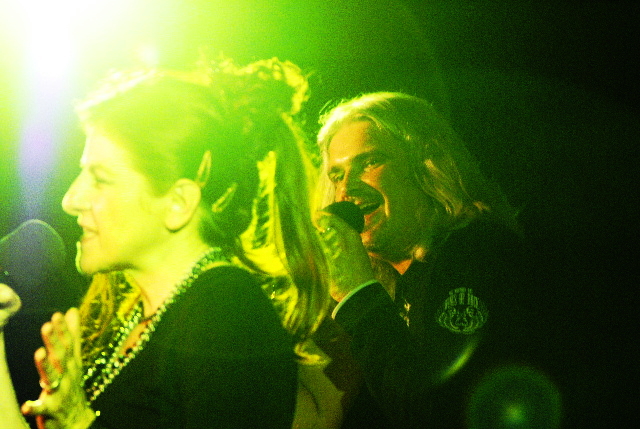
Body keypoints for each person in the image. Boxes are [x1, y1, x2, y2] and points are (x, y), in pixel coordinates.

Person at [0, 57, 341, 429]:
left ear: (178, 203)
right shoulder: (140, 317)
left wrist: (79, 421)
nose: (71, 199)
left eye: (101, 178)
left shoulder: (227, 316)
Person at [314, 92, 546, 429]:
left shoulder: (473, 253)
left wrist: (358, 297)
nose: (346, 190)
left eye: (369, 162)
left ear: (426, 165)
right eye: (336, 175)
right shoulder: (401, 286)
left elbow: (440, 412)